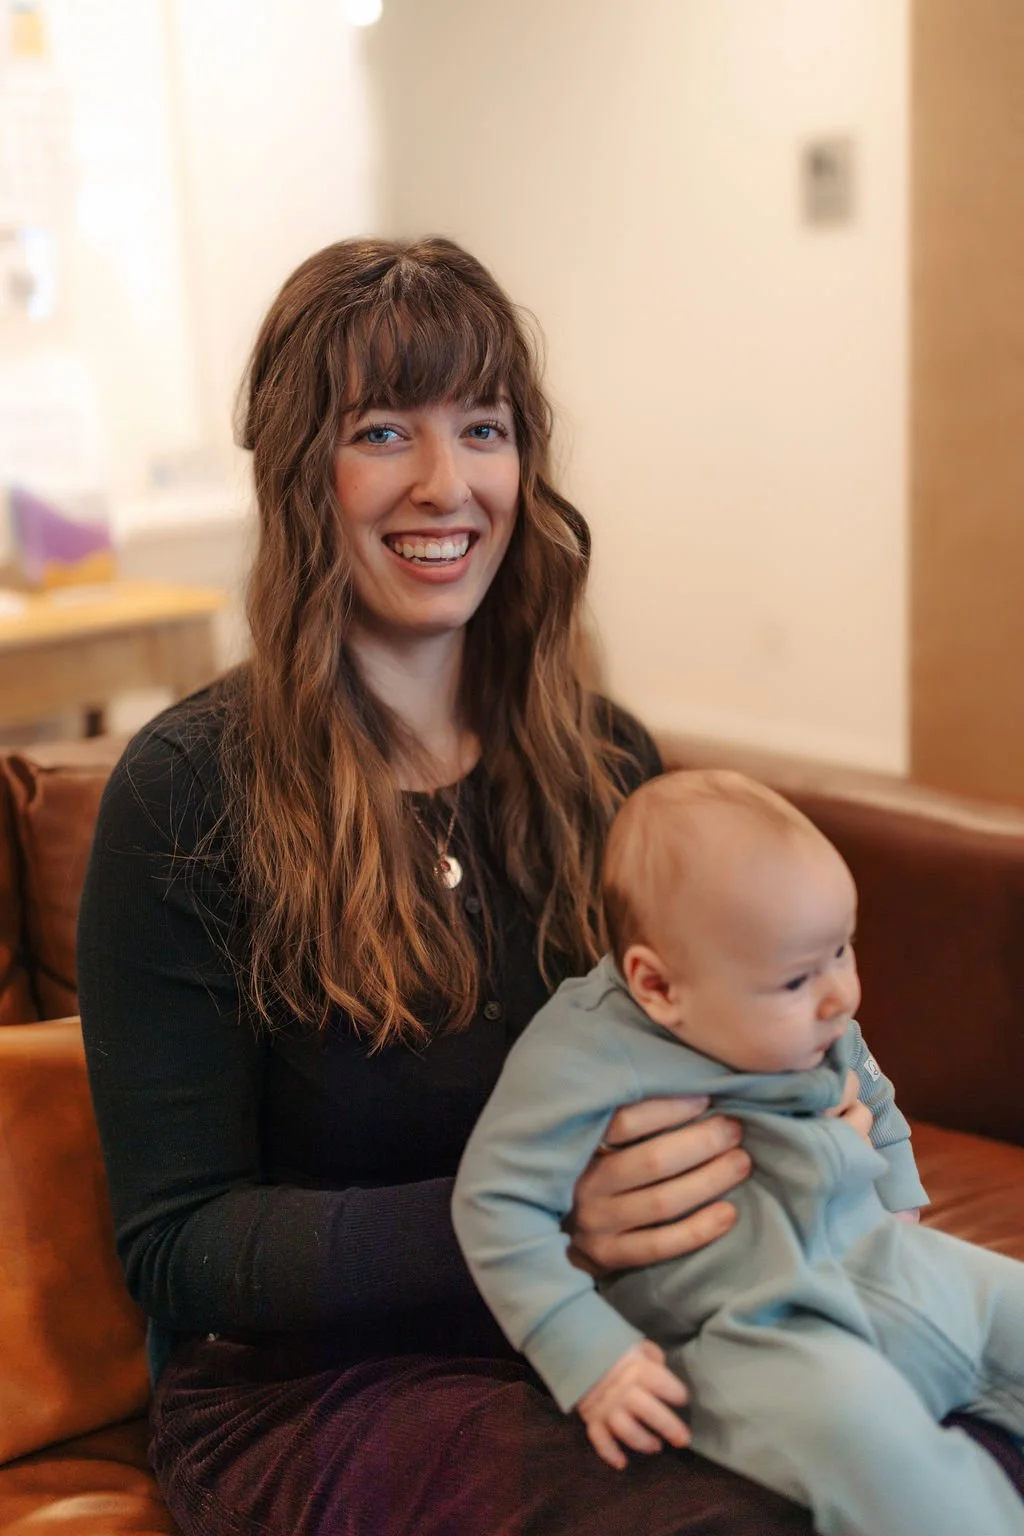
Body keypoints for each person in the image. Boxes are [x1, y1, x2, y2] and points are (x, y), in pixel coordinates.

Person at [76, 237, 1022, 1536]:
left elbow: (743, 1027)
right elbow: (176, 1247)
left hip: (645, 1316)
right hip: (315, 1391)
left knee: (960, 1435)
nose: (447, 481)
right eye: (380, 431)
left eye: (484, 427)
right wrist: (543, 1222)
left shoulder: (604, 759)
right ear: (301, 474)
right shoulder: (186, 797)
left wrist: (826, 1148)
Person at [453, 769, 1024, 1535]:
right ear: (657, 985)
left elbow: (872, 1088)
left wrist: (902, 1199)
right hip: (745, 1329)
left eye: (842, 951)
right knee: (881, 1452)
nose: (840, 996)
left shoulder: (815, 1010)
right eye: (797, 978)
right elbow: (495, 1204)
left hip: (879, 1261)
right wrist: (590, 1356)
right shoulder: (583, 1054)